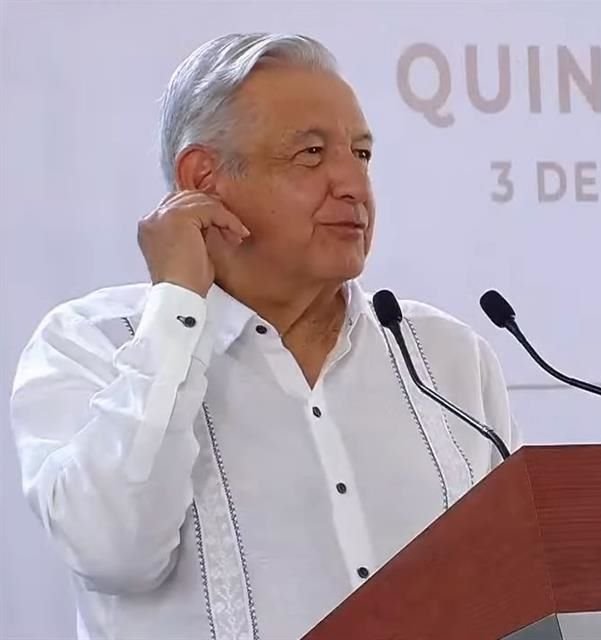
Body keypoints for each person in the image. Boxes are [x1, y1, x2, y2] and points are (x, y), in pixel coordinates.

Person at [9, 33, 519, 640]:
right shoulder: (92, 343)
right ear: (203, 178)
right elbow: (113, 552)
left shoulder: (444, 356)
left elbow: (512, 586)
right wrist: (176, 308)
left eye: (360, 153)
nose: (352, 184)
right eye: (310, 154)